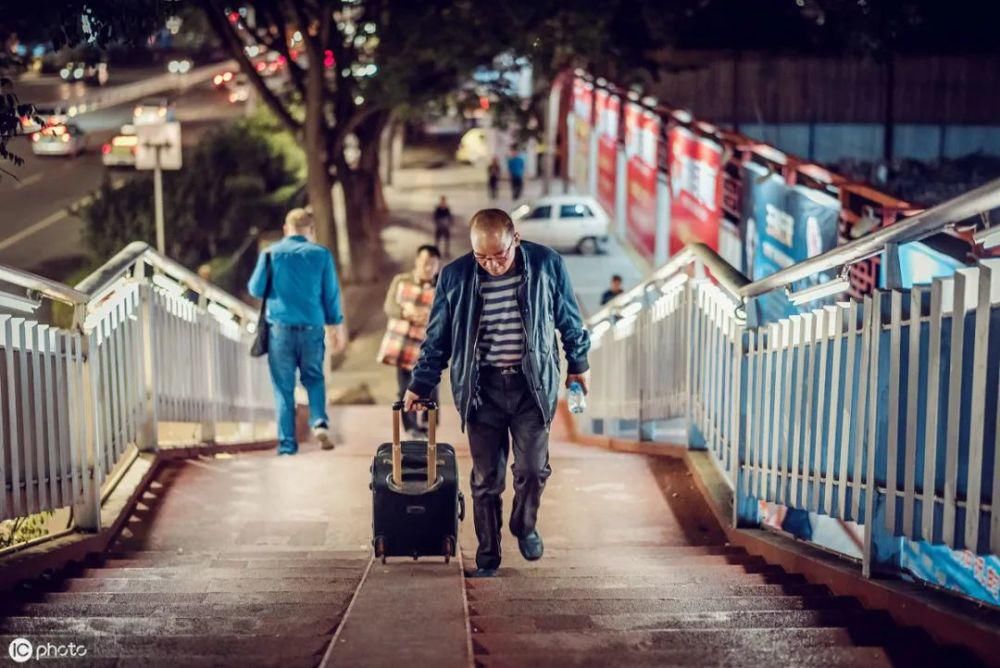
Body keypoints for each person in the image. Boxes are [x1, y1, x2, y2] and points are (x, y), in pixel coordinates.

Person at [404, 209, 591, 578]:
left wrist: (578, 365)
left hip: (531, 386)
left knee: (533, 470)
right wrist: (420, 384)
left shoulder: (546, 265)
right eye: (482, 257)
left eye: (499, 255)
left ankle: (524, 525)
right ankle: (488, 557)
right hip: (481, 390)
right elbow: (437, 340)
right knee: (486, 480)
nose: (491, 264)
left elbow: (569, 319)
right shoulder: (455, 277)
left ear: (515, 240)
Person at [248, 208, 346, 456]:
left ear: (285, 229)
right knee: (314, 378)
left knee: (283, 388)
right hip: (312, 329)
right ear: (311, 230)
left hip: (279, 330)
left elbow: (255, 288)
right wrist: (335, 327)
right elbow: (330, 294)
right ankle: (319, 422)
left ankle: (288, 445)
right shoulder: (321, 254)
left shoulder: (270, 253)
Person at [383, 244, 442, 438]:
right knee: (404, 389)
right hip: (403, 347)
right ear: (417, 261)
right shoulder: (401, 281)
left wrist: (429, 316)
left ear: (437, 265)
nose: (427, 268)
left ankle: (427, 425)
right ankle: (410, 428)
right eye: (425, 263)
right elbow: (389, 306)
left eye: (432, 264)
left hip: (429, 349)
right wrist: (406, 312)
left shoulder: (442, 285)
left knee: (431, 388)